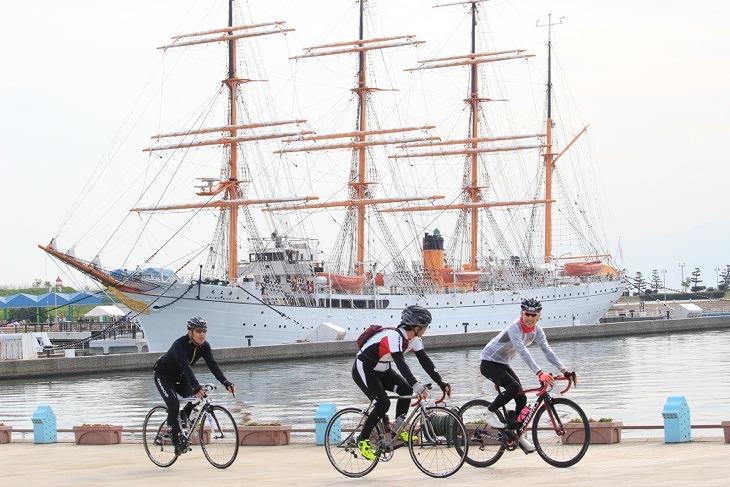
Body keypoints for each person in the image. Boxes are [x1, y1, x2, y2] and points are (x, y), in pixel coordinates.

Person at [352, 305, 451, 461]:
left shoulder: (414, 339)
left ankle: (397, 430)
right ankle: (362, 440)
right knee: (382, 403)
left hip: (383, 370)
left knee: (405, 390)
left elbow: (424, 360)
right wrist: (416, 385)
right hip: (364, 369)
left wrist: (440, 382)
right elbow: (400, 363)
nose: (426, 329)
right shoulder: (393, 336)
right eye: (426, 326)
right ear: (417, 326)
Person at [479, 298, 576, 454]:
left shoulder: (537, 331)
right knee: (514, 387)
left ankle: (517, 434)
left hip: (503, 363)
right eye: (527, 314)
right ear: (521, 314)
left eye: (534, 315)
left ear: (539, 316)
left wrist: (565, 371)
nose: (530, 318)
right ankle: (488, 413)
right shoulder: (514, 328)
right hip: (489, 362)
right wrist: (540, 373)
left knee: (521, 397)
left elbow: (547, 351)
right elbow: (524, 352)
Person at [153, 316, 235, 456]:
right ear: (190, 331)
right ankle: (175, 442)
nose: (202, 333)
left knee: (198, 398)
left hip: (181, 378)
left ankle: (185, 413)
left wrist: (225, 382)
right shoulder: (180, 345)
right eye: (198, 330)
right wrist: (196, 385)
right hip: (164, 376)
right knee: (173, 406)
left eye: (204, 330)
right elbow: (185, 366)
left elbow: (213, 365)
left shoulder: (204, 346)